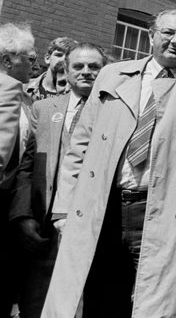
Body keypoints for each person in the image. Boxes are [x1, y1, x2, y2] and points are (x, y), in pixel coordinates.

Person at [41, 9, 176, 318]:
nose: (175, 41)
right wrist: (63, 209)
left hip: (162, 211)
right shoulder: (113, 75)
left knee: (153, 304)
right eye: (167, 33)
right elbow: (80, 146)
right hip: (105, 208)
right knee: (101, 297)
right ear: (151, 35)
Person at [10, 43, 107, 318]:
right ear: (66, 70)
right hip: (45, 223)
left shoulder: (116, 113)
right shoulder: (42, 108)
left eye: (94, 67)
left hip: (92, 222)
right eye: (78, 66)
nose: (86, 72)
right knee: (36, 302)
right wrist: (24, 214)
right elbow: (27, 167)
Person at [0, 22, 34, 317]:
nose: (35, 64)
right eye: (30, 58)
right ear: (8, 59)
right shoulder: (5, 92)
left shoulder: (24, 98)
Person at [26, 37, 77, 102]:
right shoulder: (23, 87)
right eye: (59, 55)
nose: (63, 59)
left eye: (69, 57)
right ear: (47, 58)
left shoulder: (74, 97)